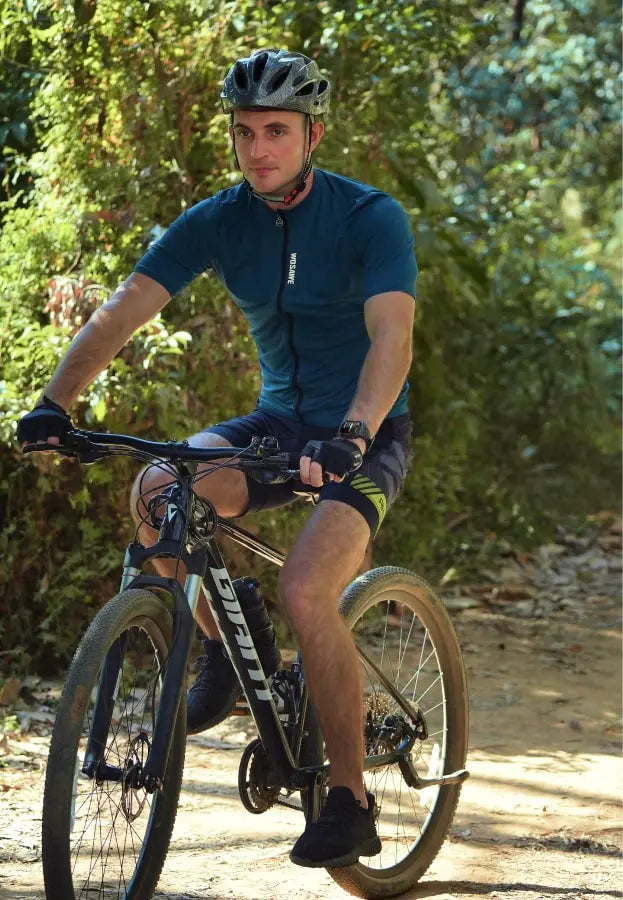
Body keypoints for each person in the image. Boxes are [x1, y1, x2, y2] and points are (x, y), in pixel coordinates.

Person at [17, 49, 417, 868]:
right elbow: (122, 311)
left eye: (276, 131)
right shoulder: (218, 220)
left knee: (307, 589)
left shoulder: (368, 216)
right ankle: (232, 651)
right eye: (244, 132)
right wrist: (55, 402)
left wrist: (352, 432)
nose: (257, 149)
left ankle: (349, 799)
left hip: (363, 432)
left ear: (312, 135)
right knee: (159, 489)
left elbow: (392, 336)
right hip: (274, 425)